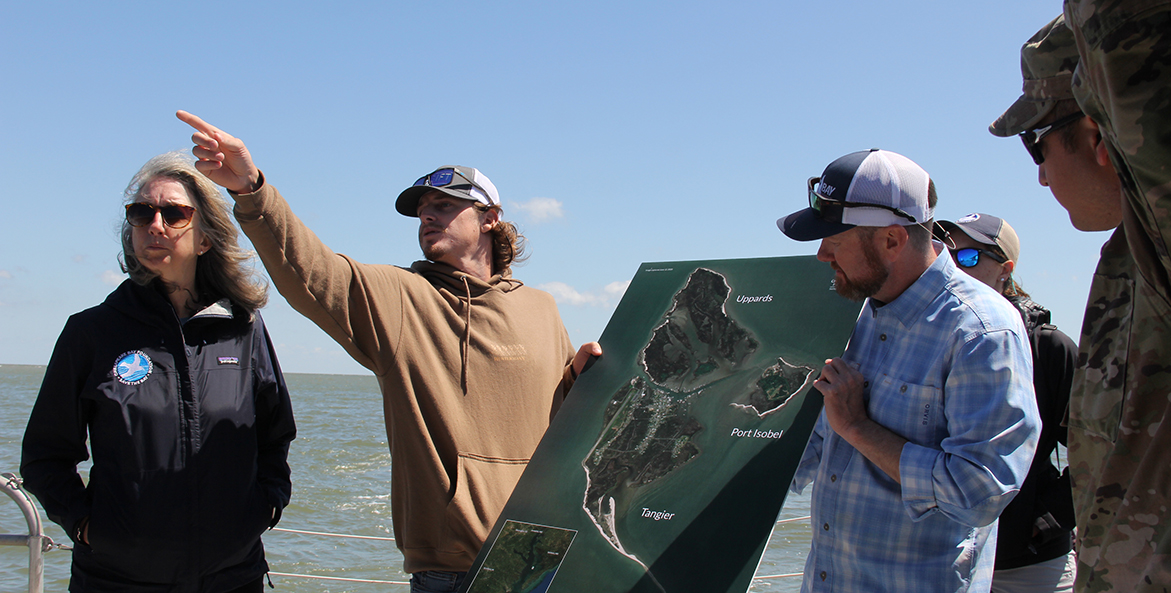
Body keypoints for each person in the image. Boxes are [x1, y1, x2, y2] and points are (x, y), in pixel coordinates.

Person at [176, 111, 601, 593]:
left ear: (490, 218)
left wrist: (580, 378)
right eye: (423, 209)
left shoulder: (541, 307)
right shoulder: (401, 298)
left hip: (539, 558)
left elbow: (564, 424)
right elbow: (310, 273)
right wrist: (252, 190)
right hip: (450, 568)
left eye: (444, 204)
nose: (427, 215)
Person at [20, 152, 297, 593]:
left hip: (231, 578)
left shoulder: (242, 328)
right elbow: (45, 456)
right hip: (116, 580)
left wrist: (263, 510)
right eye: (141, 212)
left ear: (205, 237)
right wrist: (90, 528)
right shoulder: (91, 332)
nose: (155, 224)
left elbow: (274, 435)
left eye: (174, 213)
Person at [779, 149, 1040, 593]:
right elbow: (800, 462)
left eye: (835, 240)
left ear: (893, 240)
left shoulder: (979, 330)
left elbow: (981, 491)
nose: (822, 255)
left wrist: (858, 428)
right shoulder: (850, 317)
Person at [991, 8, 1171, 589]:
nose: (1040, 178)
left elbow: (1126, 40)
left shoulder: (1156, 250)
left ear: (1098, 133)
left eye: (1035, 146)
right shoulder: (1129, 267)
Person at [935, 213, 1078, 592]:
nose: (955, 265)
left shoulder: (1049, 347)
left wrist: (1047, 519)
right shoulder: (936, 340)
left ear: (1005, 269)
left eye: (969, 257)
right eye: (947, 254)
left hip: (1029, 563)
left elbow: (1099, 451)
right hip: (946, 557)